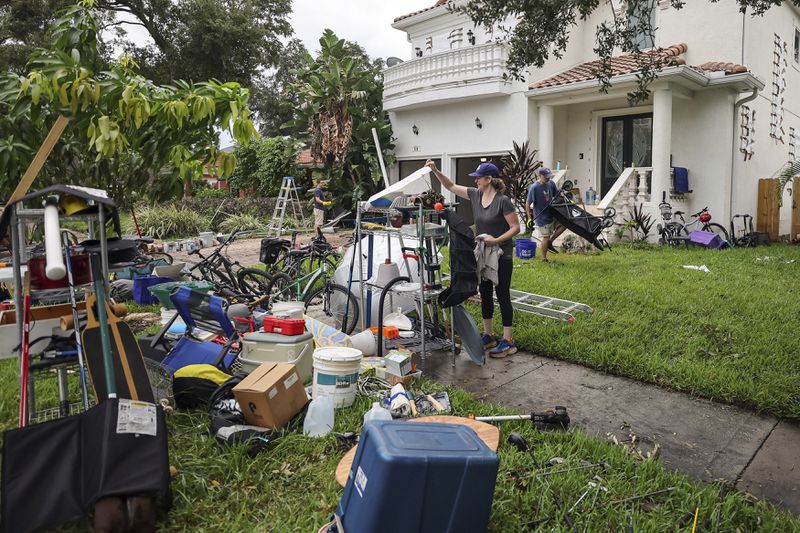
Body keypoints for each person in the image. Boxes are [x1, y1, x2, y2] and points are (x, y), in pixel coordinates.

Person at [426, 160, 520, 358]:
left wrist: (497, 240)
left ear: (489, 179)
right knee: (485, 293)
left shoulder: (503, 201)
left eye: (479, 178)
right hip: (484, 251)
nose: (476, 180)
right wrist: (435, 171)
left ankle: (509, 340)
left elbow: (515, 228)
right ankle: (489, 335)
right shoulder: (476, 195)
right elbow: (450, 186)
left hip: (502, 254)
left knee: (502, 294)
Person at [526, 167, 566, 262]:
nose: (548, 179)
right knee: (545, 237)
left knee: (564, 224)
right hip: (541, 216)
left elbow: (557, 194)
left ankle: (550, 243)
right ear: (540, 176)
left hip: (552, 213)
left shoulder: (551, 183)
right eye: (546, 177)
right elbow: (528, 203)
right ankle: (543, 258)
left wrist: (564, 197)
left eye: (549, 177)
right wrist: (529, 218)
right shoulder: (534, 188)